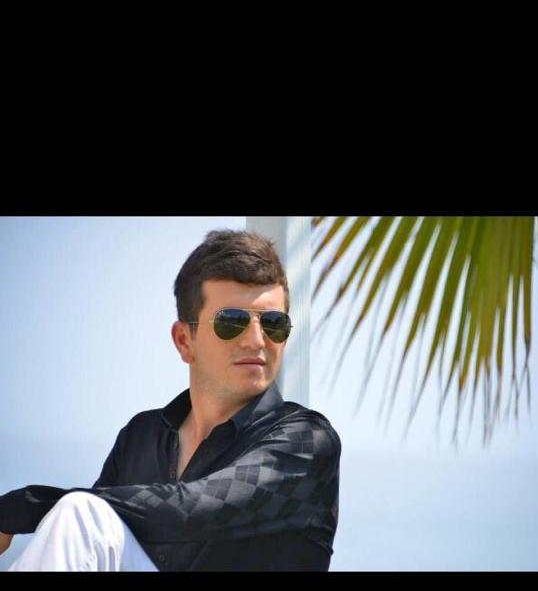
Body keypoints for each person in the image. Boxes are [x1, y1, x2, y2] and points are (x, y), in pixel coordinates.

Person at [0, 228, 341, 571]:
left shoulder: (307, 442)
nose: (256, 340)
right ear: (183, 340)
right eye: (232, 322)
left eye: (273, 323)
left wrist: (22, 508)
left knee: (79, 512)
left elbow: (192, 511)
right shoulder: (140, 437)